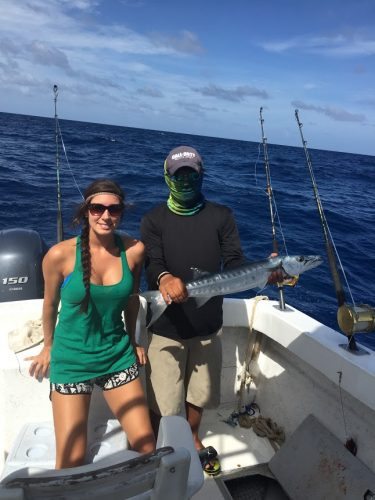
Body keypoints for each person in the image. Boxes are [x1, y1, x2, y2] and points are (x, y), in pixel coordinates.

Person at [27, 178, 155, 469]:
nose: (106, 216)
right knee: (70, 462)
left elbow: (132, 299)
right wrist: (48, 347)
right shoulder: (59, 255)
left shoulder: (134, 251)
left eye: (114, 209)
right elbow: (49, 306)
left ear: (122, 212)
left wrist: (134, 341)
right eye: (97, 208)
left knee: (147, 449)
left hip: (117, 357)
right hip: (72, 362)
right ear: (86, 211)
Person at [140, 146, 246, 476]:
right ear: (167, 176)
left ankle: (193, 438)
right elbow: (152, 261)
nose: (185, 180)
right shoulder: (153, 219)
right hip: (166, 327)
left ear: (202, 174)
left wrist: (269, 271)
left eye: (191, 173)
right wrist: (165, 277)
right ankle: (167, 447)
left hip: (207, 325)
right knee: (165, 400)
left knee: (198, 395)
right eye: (178, 174)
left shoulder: (221, 216)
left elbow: (235, 262)